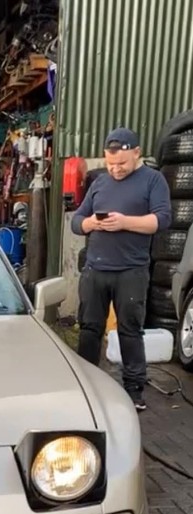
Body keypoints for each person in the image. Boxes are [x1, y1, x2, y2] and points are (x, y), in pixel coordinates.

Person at [71, 127, 172, 411]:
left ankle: (134, 390)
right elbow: (77, 220)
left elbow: (163, 220)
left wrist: (125, 222)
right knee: (89, 328)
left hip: (131, 270)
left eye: (122, 163)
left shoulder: (153, 180)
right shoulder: (100, 182)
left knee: (130, 330)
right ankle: (87, 386)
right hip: (95, 269)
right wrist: (90, 223)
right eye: (110, 163)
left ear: (137, 153)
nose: (115, 169)